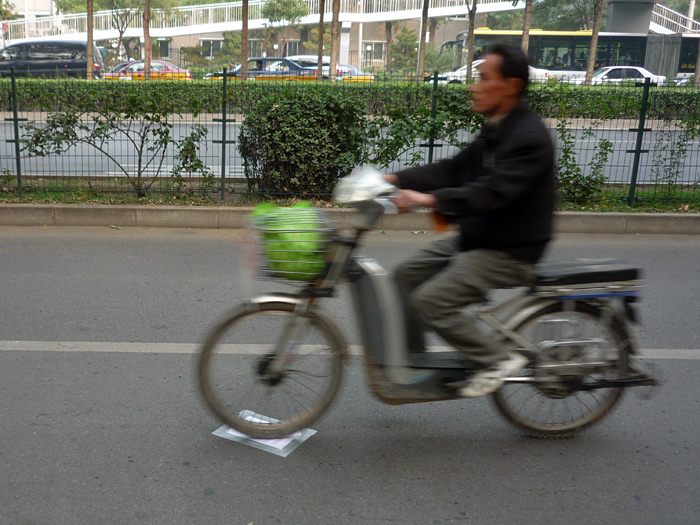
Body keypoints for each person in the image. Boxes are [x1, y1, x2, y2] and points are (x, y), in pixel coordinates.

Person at [383, 44, 555, 398]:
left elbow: (491, 192)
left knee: (430, 302)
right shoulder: (498, 128)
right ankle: (415, 362)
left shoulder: (528, 138)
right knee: (402, 277)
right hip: (480, 238)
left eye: (482, 79)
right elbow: (453, 169)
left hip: (510, 250)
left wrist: (428, 199)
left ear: (510, 86)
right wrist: (395, 180)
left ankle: (496, 359)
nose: (473, 86)